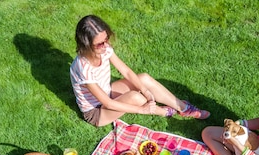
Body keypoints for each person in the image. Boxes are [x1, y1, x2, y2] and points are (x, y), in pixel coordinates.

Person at [70, 15, 210, 127]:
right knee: (135, 97)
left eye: (106, 39)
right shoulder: (83, 68)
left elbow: (126, 72)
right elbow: (108, 103)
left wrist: (145, 90)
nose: (106, 45)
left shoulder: (104, 49)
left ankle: (183, 107)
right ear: (87, 45)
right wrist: (142, 110)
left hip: (107, 92)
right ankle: (164, 112)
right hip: (97, 111)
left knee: (143, 78)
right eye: (100, 43)